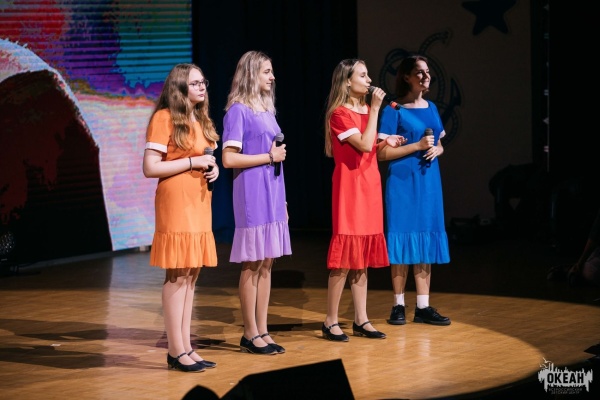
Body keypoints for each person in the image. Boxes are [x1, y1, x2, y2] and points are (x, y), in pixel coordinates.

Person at [142, 63, 220, 372]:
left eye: (203, 82)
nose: (202, 87)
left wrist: (212, 168)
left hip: (199, 200)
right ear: (179, 88)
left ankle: (186, 347)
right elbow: (150, 167)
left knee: (191, 274)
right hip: (176, 201)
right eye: (195, 83)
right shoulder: (164, 118)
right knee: (177, 275)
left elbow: (206, 158)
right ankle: (175, 351)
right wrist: (192, 163)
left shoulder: (199, 119)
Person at [322, 58, 402, 342]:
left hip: (370, 185)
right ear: (347, 81)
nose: (369, 81)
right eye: (363, 76)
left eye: (368, 76)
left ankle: (361, 319)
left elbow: (370, 148)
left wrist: (385, 143)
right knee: (344, 257)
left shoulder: (367, 110)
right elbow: (363, 144)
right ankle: (330, 320)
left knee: (362, 257)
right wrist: (377, 111)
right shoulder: (339, 114)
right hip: (350, 187)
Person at [221, 51, 291, 355]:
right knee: (252, 264)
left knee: (267, 263)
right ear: (251, 74)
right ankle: (249, 333)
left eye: (271, 71)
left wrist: (283, 201)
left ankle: (263, 329)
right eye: (266, 71)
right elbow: (228, 159)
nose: (272, 77)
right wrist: (268, 157)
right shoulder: (238, 111)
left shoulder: (266, 110)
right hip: (252, 194)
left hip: (273, 193)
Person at [377, 54, 451, 326]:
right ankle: (398, 305)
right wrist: (417, 146)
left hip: (428, 183)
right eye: (419, 72)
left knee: (424, 239)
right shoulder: (394, 110)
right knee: (402, 238)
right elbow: (381, 154)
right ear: (406, 77)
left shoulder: (431, 107)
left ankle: (423, 306)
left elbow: (439, 143)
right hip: (402, 183)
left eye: (427, 71)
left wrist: (437, 149)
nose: (426, 76)